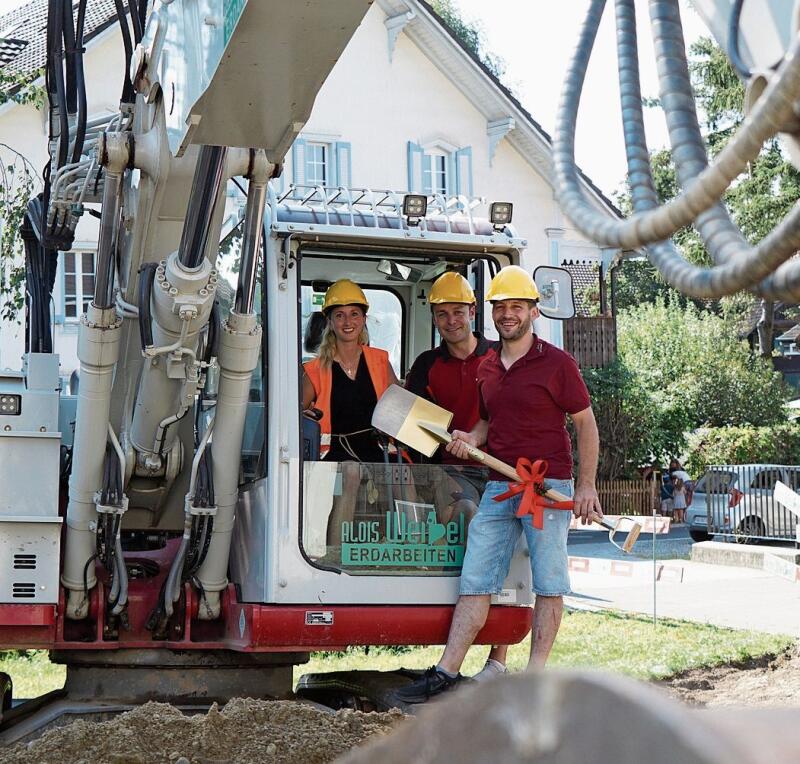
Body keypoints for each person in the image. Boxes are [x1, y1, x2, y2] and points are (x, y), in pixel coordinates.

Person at [394, 265, 602, 704]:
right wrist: (472, 438)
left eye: (516, 307)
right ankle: (447, 673)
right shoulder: (488, 365)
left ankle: (534, 677)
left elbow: (585, 423)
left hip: (546, 486)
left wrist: (585, 486)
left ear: (532, 311)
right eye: (501, 307)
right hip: (499, 485)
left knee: (548, 582)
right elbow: (490, 420)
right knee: (476, 577)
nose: (508, 315)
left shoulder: (557, 363)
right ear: (490, 313)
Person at [302, 280, 398, 545]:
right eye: (339, 315)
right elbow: (295, 412)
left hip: (375, 445)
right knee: (351, 472)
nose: (348, 321)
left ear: (364, 319)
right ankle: (334, 553)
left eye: (354, 314)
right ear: (330, 322)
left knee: (405, 476)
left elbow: (397, 405)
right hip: (332, 451)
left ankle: (410, 551)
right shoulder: (313, 369)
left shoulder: (380, 360)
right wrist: (304, 415)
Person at [405, 271, 494, 522]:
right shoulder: (426, 364)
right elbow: (415, 426)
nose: (451, 320)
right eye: (442, 314)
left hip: (502, 470)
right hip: (452, 470)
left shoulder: (500, 356)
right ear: (434, 318)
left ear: (472, 312)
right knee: (465, 513)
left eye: (458, 312)